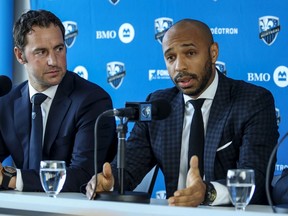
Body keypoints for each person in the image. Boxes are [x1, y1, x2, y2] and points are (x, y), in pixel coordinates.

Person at [85, 18, 279, 206]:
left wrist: (207, 192)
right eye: (171, 57)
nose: (179, 66)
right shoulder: (158, 104)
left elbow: (256, 179)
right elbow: (128, 170)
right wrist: (109, 183)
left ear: (213, 53)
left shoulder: (252, 101)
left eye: (190, 53)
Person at [0, 10, 117, 192]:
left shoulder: (92, 100)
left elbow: (84, 175)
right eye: (41, 52)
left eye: (59, 49)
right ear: (20, 56)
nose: (53, 61)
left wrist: (13, 178)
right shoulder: (7, 103)